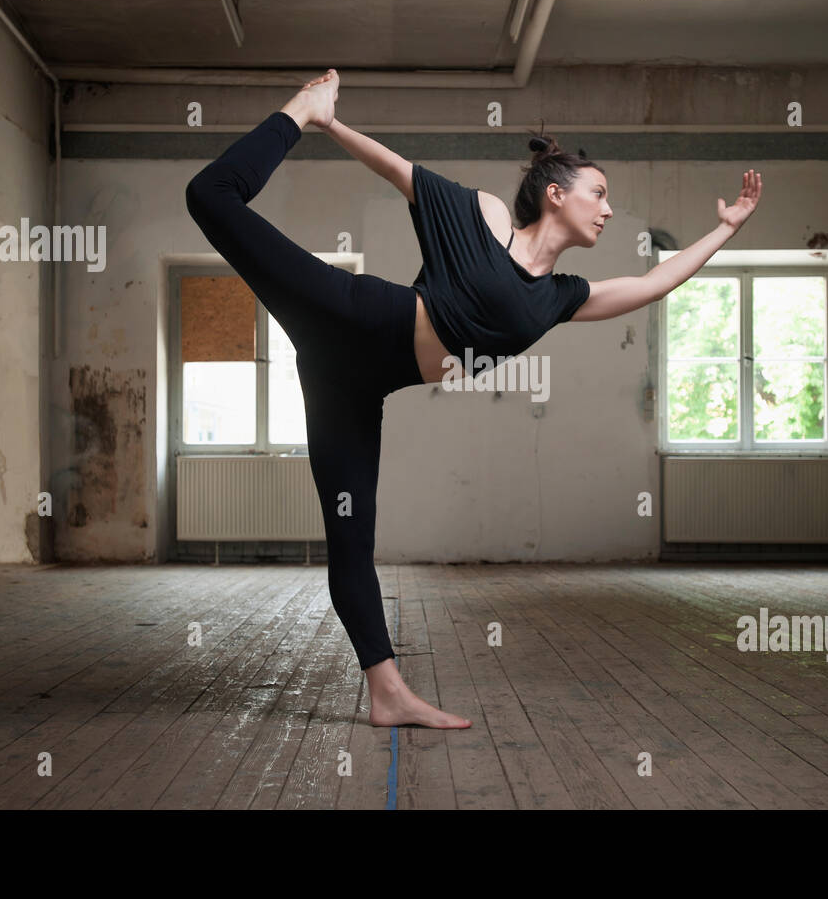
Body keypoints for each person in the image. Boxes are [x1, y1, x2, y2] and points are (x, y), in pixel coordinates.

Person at [185, 69, 762, 729]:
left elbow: (657, 281)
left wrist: (727, 230)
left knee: (351, 540)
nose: (607, 208)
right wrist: (325, 119)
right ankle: (294, 109)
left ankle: (387, 693)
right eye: (598, 193)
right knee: (211, 196)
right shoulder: (485, 216)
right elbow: (400, 172)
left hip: (351, 383)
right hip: (348, 315)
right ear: (555, 193)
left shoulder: (559, 297)